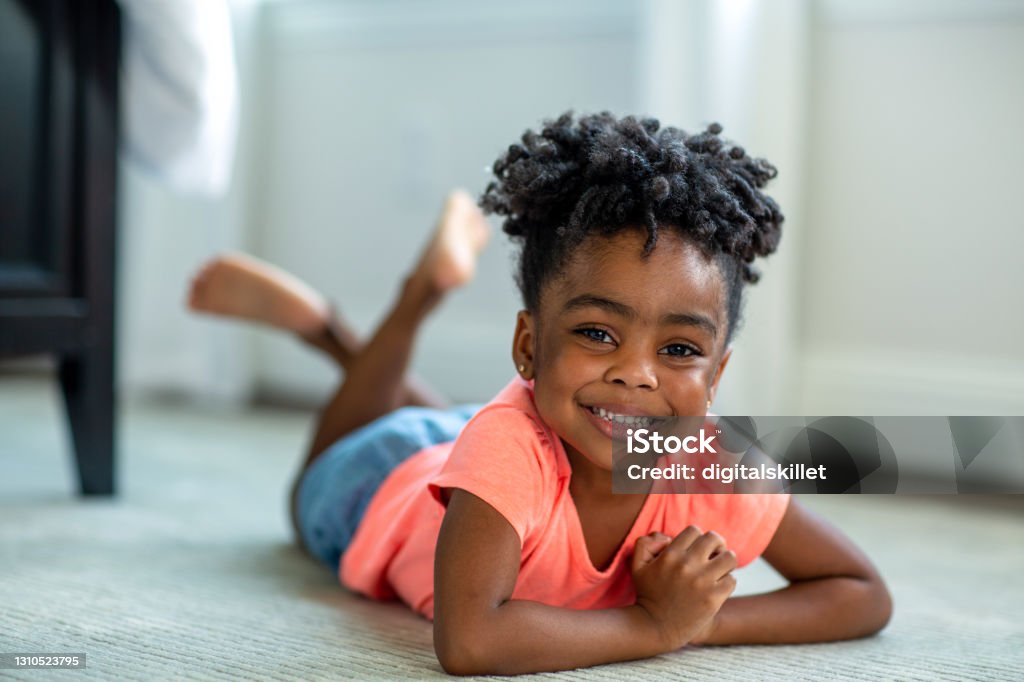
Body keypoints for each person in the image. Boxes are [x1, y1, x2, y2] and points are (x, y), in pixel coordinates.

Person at [187, 112, 892, 675]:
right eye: (597, 333)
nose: (637, 374)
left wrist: (705, 620)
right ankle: (377, 312)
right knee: (318, 475)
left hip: (509, 441)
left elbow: (863, 595)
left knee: (474, 425)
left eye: (678, 350)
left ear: (716, 376)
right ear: (529, 344)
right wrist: (654, 626)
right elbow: (472, 643)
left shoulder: (717, 463)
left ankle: (348, 340)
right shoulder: (505, 445)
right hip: (382, 488)